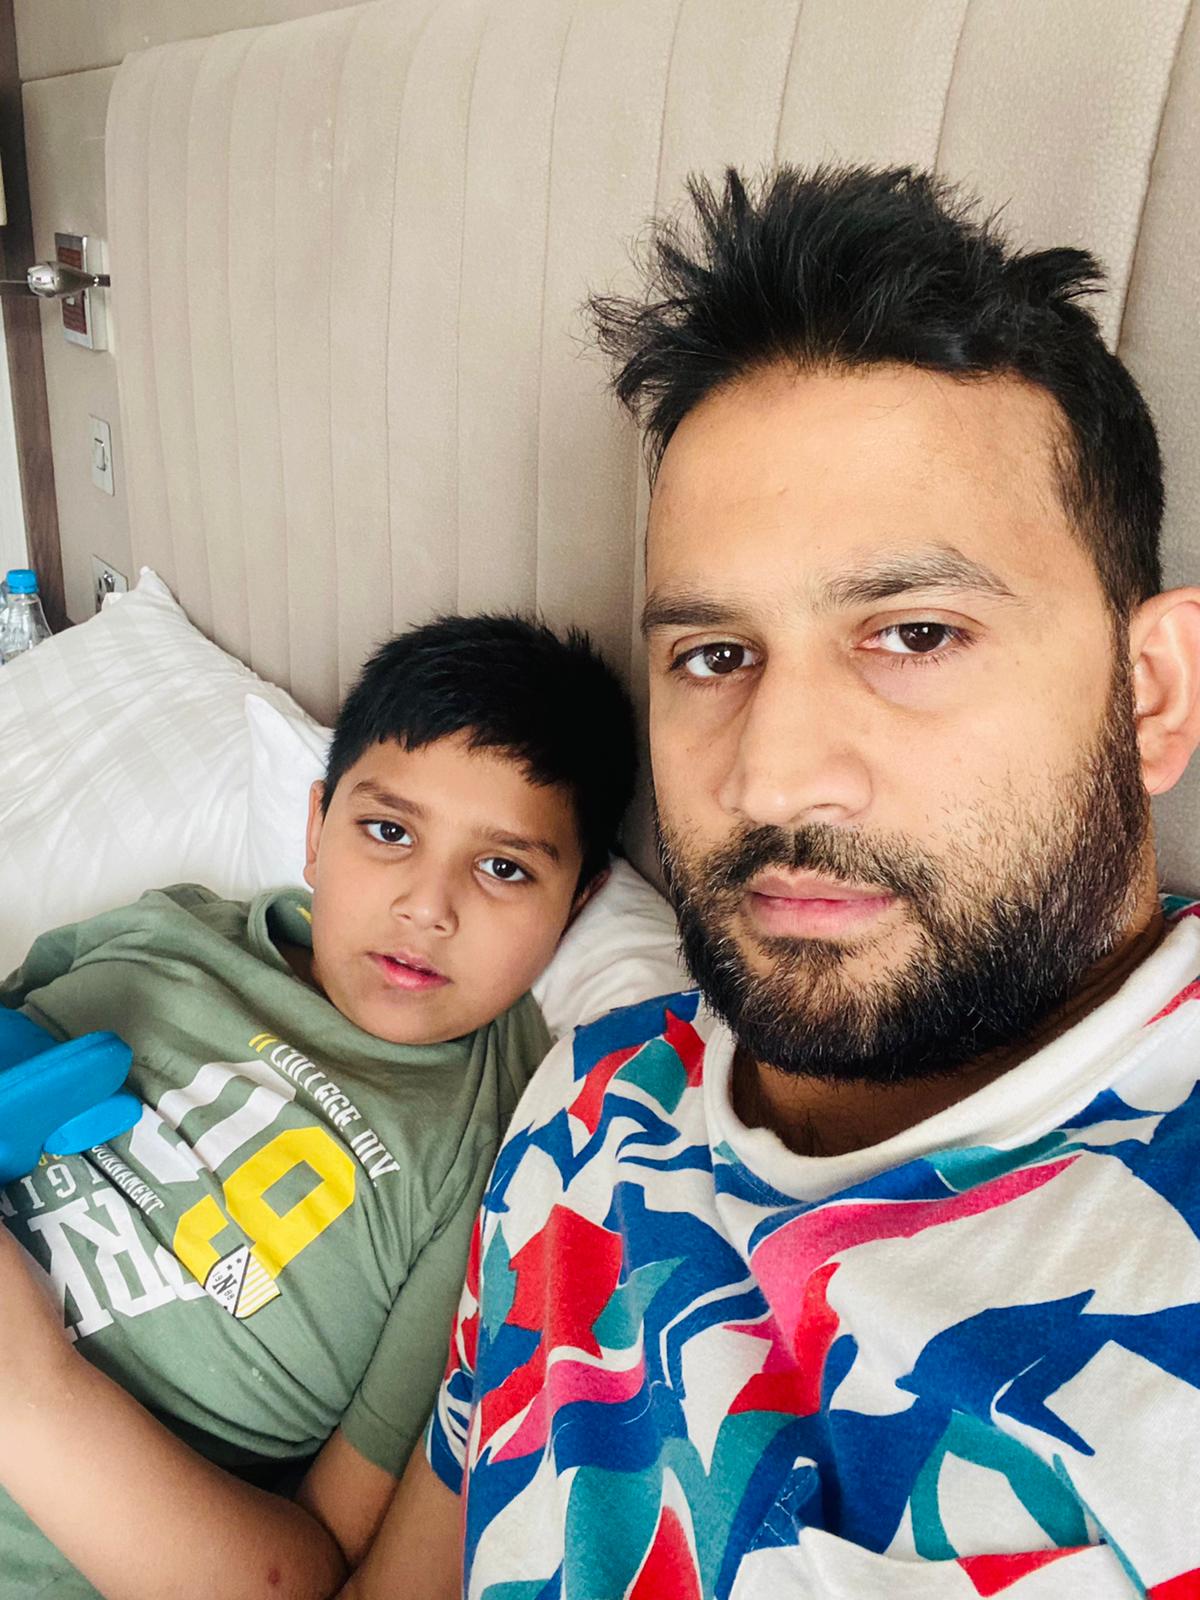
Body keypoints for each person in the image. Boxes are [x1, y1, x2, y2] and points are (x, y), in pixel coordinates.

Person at [348, 167, 1200, 1599]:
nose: (771, 776)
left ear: (1152, 695)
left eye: (915, 634)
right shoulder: (593, 1100)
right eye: (714, 656)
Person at [0, 612, 637, 1600]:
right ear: (314, 828)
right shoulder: (161, 933)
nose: (428, 906)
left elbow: (310, 1567)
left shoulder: (497, 1154)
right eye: (388, 831)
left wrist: (30, 1394)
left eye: (504, 867)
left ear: (581, 901)